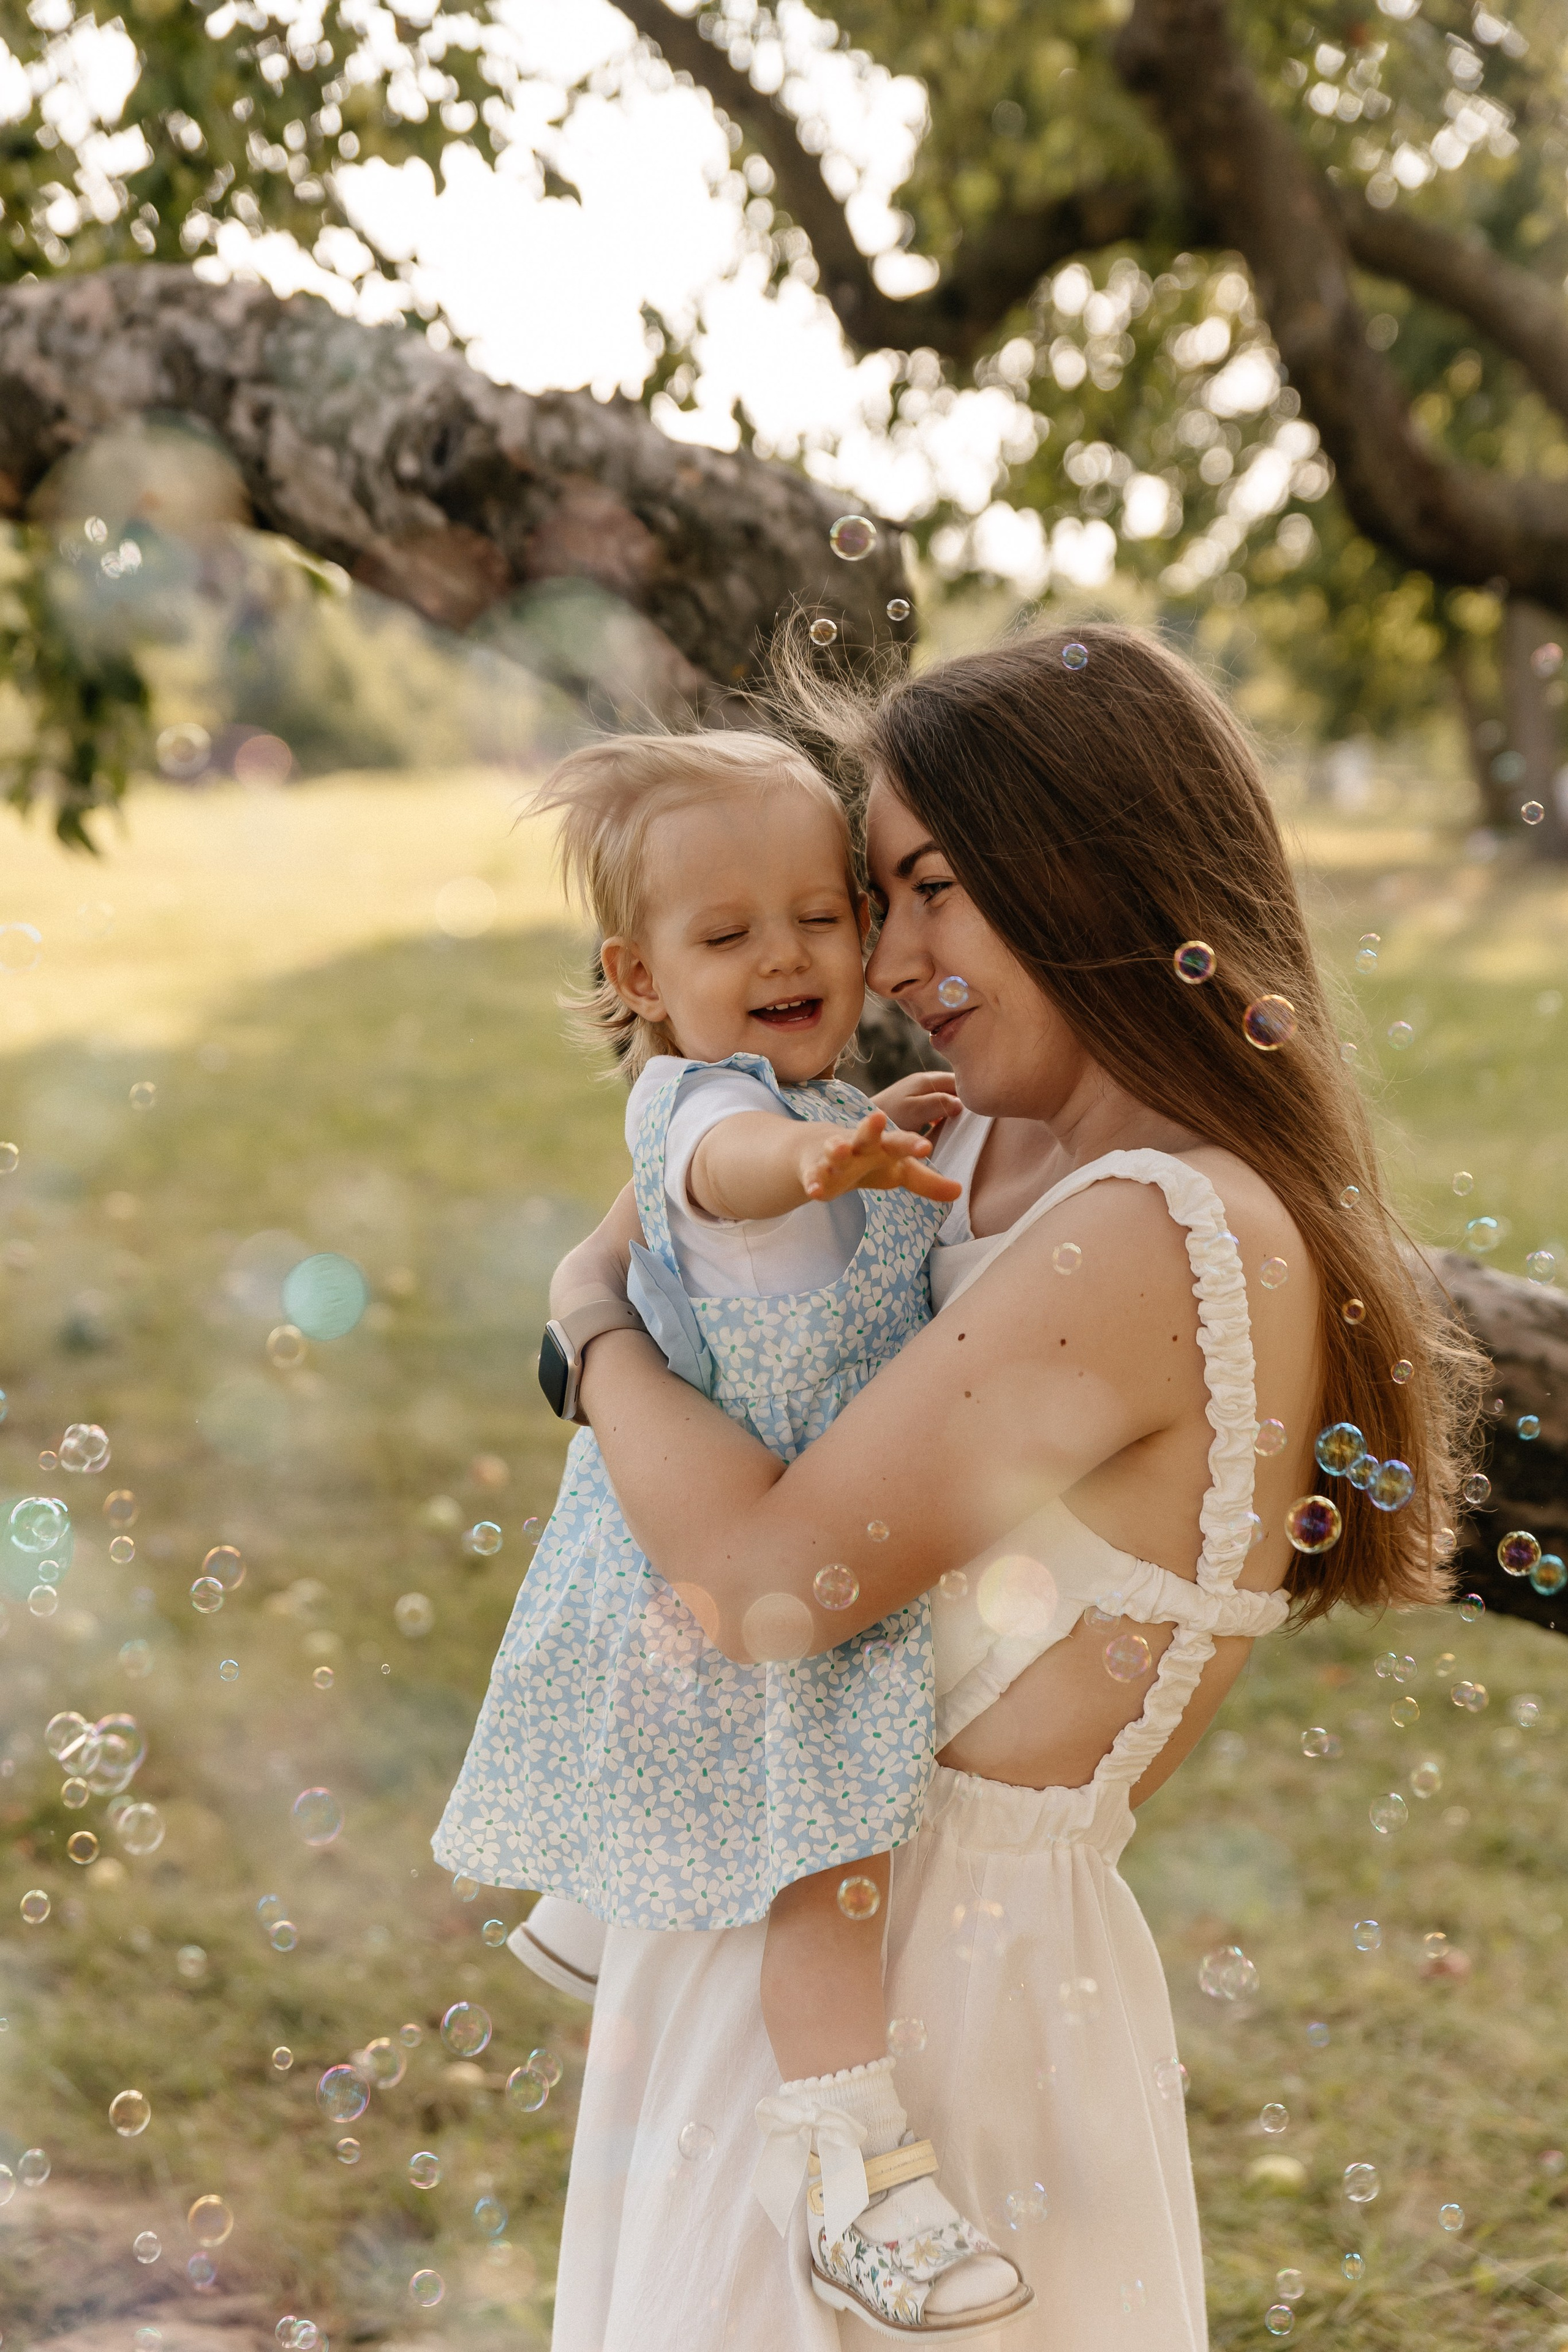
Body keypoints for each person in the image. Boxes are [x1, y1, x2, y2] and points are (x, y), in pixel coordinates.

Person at [543, 623, 1480, 2348]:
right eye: (873, 898)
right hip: (799, 1940)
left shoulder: (1158, 1233)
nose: (890, 961)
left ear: (1090, 874)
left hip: (923, 2025)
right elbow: (677, 1168)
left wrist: (589, 1333)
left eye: (932, 890)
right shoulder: (982, 1146)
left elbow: (760, 1587)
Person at [431, 728, 1034, 2330]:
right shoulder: (706, 1112)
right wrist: (818, 1157)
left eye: (819, 917)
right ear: (638, 974)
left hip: (775, 1543)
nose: (787, 954)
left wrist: (853, 1125)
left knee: (787, 1850)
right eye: (725, 934)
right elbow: (728, 1176)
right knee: (828, 1883)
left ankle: (594, 1910)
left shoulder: (822, 1099)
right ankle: (860, 2186)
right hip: (751, 1570)